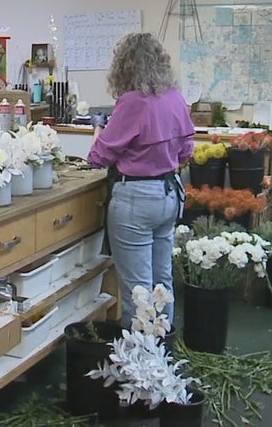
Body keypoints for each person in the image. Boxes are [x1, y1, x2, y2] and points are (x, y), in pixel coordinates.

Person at [86, 32, 195, 328]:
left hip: (135, 200)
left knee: (138, 292)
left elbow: (99, 156)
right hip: (169, 194)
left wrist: (98, 132)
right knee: (162, 283)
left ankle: (140, 365)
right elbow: (187, 149)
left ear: (125, 67)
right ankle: (162, 352)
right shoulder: (175, 98)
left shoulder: (133, 102)